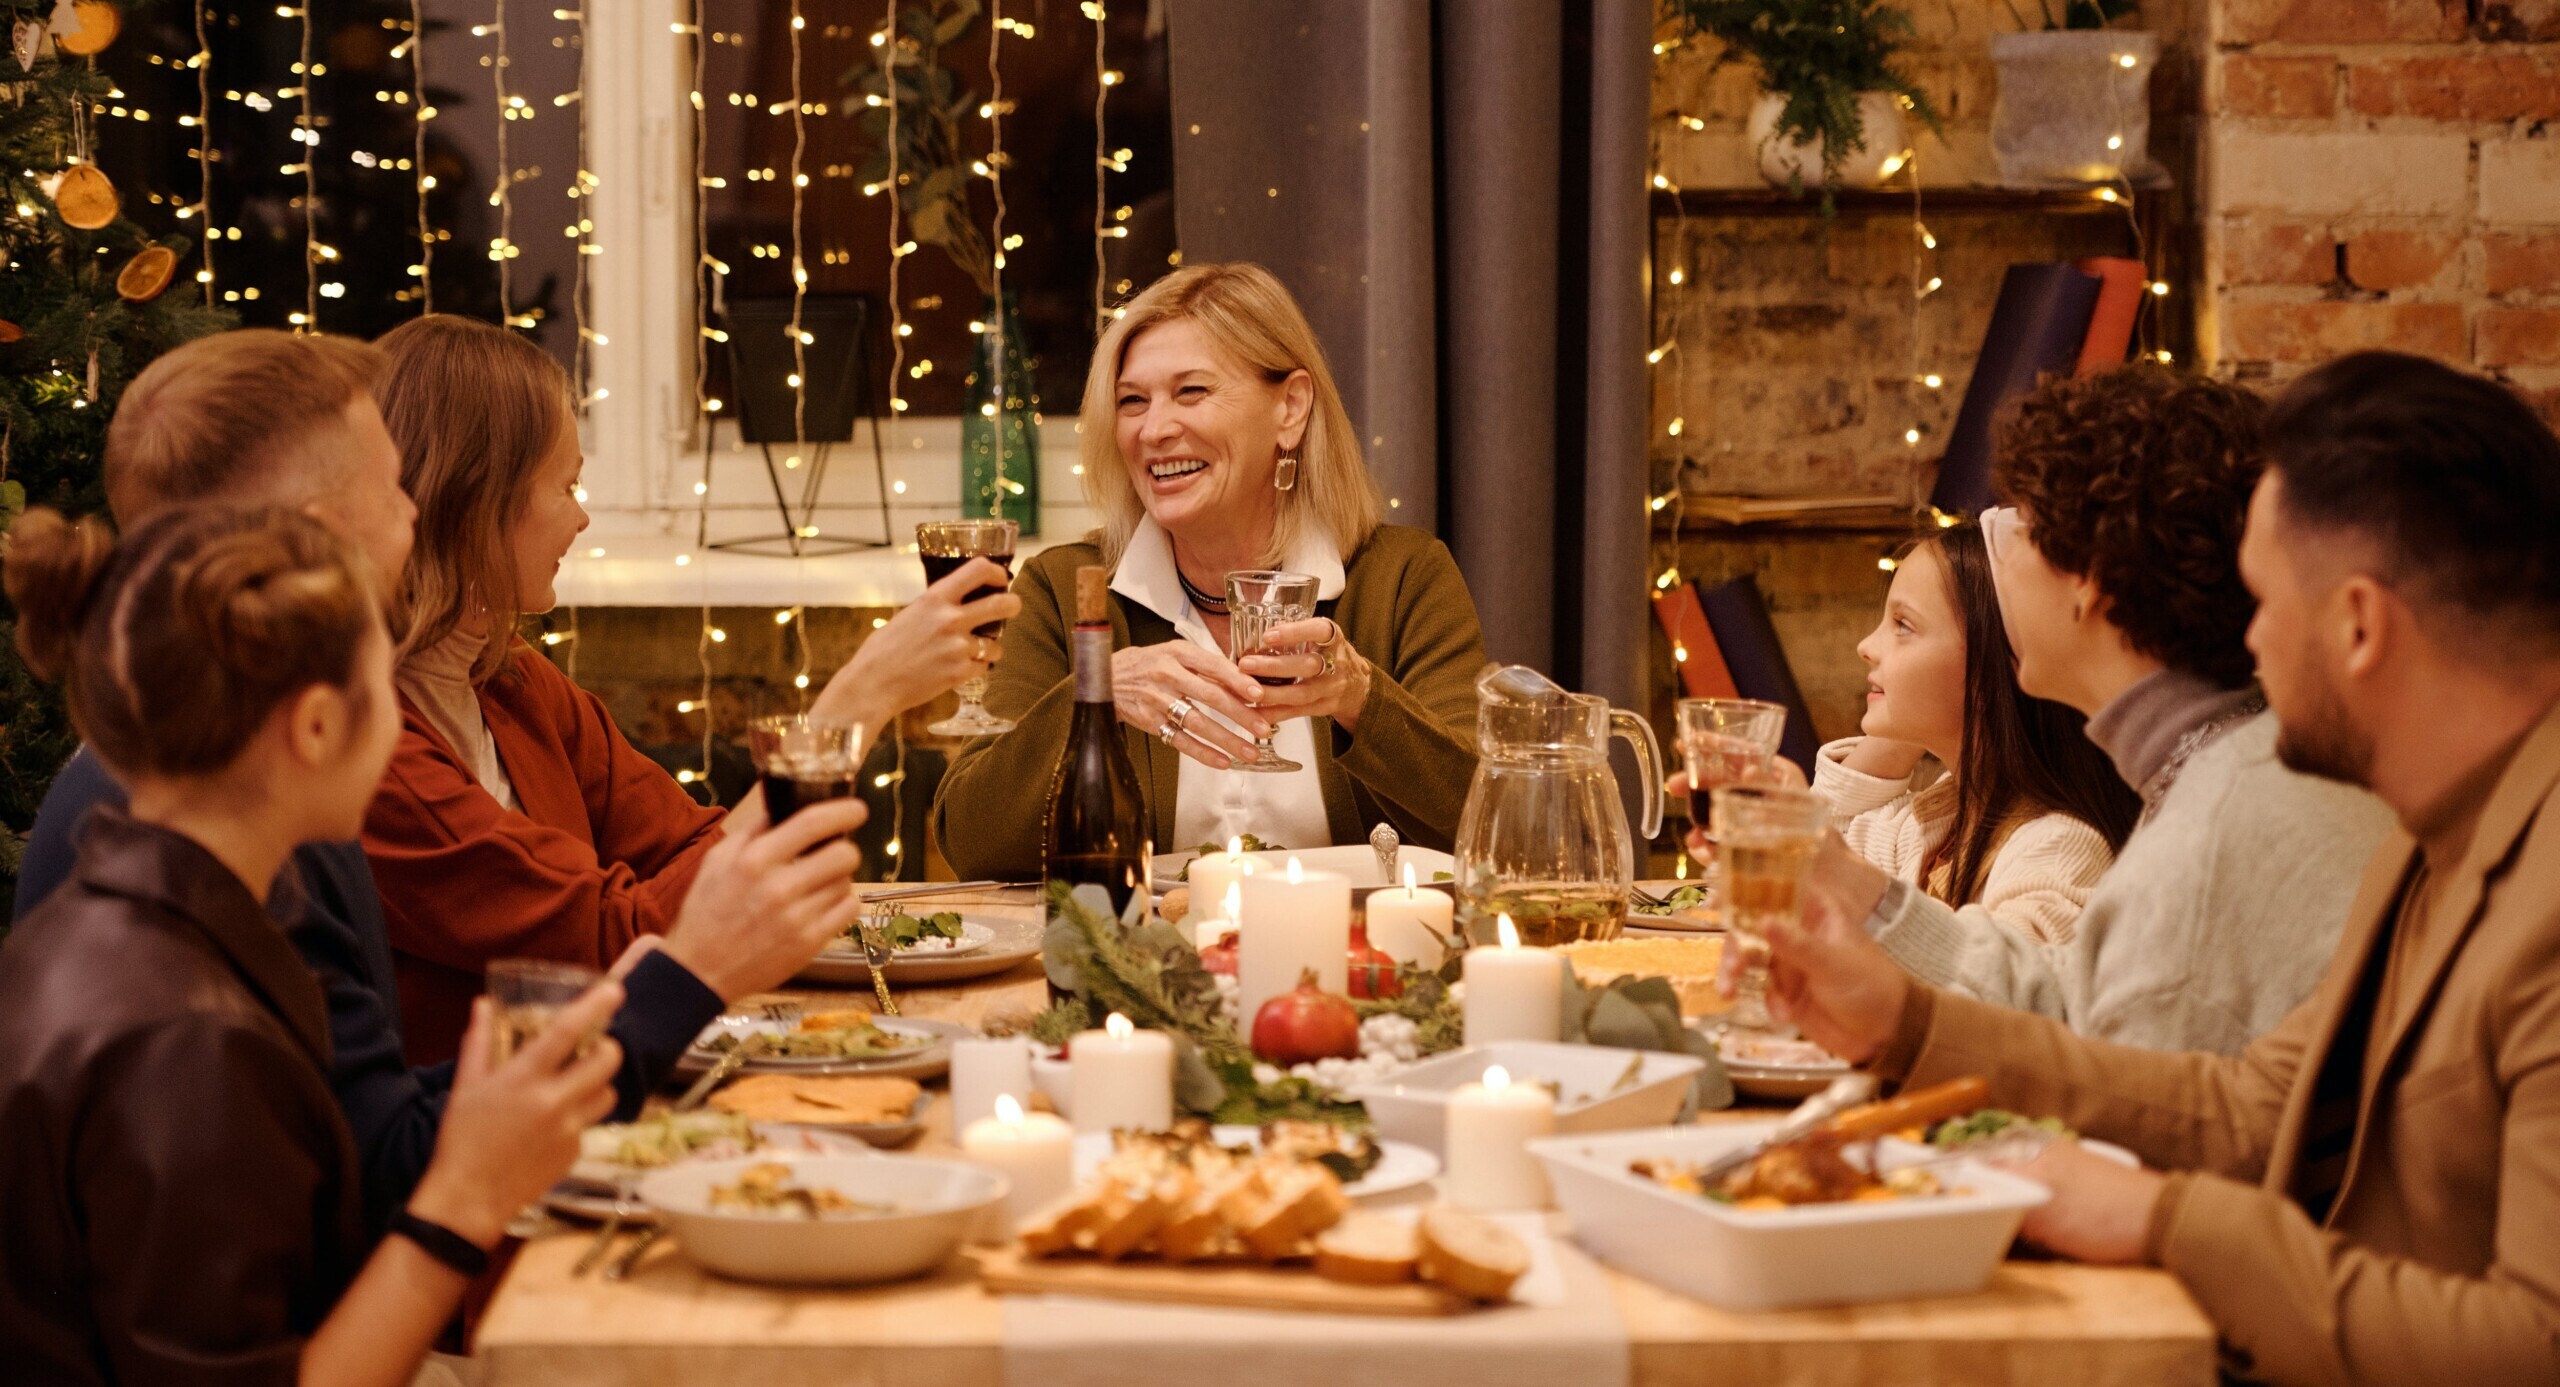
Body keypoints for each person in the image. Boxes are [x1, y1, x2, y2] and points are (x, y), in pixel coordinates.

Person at [1754, 351, 2560, 1387]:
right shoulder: (2432, 827)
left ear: (2359, 625)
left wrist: (2160, 1217)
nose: (2247, 643)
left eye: (2265, 602)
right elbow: (2250, 1103)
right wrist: (1900, 1024)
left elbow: (2536, 1345)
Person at [12, 328, 870, 1234]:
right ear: (324, 532)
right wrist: (690, 965)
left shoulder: (238, 771)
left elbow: (377, 1126)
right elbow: (375, 1200)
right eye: (394, 486)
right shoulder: (270, 791)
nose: (417, 509)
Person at [0, 504, 620, 1387]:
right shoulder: (187, 1044)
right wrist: (464, 1196)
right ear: (319, 726)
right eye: (389, 691)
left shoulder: (145, 910)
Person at [364, 314, 1020, 1062]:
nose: (581, 517)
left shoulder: (508, 678)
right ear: (476, 498)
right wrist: (855, 704)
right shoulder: (375, 754)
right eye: (567, 484)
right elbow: (619, 939)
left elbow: (692, 846)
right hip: (489, 1137)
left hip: (604, 1081)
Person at [1726, 367, 2393, 1055]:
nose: (2002, 563)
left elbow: (2121, 1080)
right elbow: (2070, 999)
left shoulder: (2220, 820)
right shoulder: (2218, 770)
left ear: (2090, 585)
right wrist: (1846, 886)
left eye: (2026, 534)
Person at [931, 263, 1486, 874]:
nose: (1155, 429)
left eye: (1191, 391)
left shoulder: (1402, 579)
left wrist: (1360, 698)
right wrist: (1097, 697)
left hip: (1352, 961)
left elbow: (1485, 823)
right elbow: (974, 844)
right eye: (1132, 401)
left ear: (1291, 409)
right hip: (1140, 962)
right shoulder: (1067, 591)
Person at [1811, 521, 2139, 940]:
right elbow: (1826, 847)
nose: (1866, 646)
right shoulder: (1945, 820)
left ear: (1990, 667)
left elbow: (2003, 984)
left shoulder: (2058, 844)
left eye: (1903, 626)